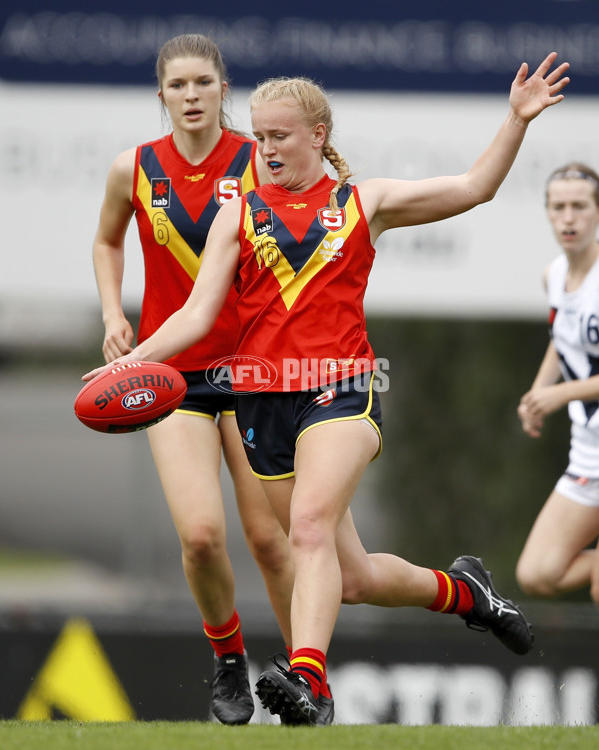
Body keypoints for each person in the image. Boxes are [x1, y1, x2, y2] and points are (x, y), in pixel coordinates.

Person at [85, 51, 569, 725]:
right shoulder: (240, 213)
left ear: (318, 134)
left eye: (279, 135)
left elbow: (474, 187)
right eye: (258, 136)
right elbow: (196, 316)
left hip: (341, 392)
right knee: (357, 577)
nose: (267, 148)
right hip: (261, 404)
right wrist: (130, 359)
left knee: (308, 527)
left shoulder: (362, 202)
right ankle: (469, 594)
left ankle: (309, 681)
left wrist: (515, 121)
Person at [91, 33, 310, 726]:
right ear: (162, 95)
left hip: (252, 373)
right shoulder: (134, 168)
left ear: (224, 90)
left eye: (203, 84)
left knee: (273, 541)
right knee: (202, 537)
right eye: (178, 86)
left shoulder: (258, 160)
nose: (191, 96)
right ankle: (227, 659)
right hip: (172, 375)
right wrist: (111, 316)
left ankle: (309, 681)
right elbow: (106, 240)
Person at [516, 162, 599, 606]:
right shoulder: (554, 276)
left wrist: (559, 394)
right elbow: (563, 340)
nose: (569, 218)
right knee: (538, 573)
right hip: (589, 453)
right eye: (559, 207)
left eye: (580, 207)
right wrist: (537, 393)